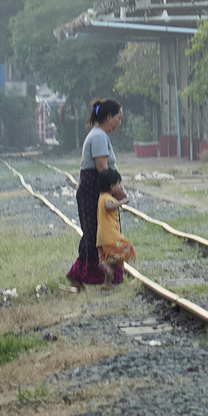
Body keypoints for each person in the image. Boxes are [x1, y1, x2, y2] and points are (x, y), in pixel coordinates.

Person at [67, 98, 123, 287]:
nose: (119, 122)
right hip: (95, 190)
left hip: (96, 189)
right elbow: (102, 168)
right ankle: (83, 275)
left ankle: (87, 276)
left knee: (97, 234)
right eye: (118, 118)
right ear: (108, 117)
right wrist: (115, 190)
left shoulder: (99, 135)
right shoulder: (98, 136)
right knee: (99, 235)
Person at [95, 168, 135, 286]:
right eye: (118, 184)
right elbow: (109, 206)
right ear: (112, 186)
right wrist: (121, 202)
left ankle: (107, 284)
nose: (120, 186)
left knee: (110, 258)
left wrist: (118, 198)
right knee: (127, 249)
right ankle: (106, 265)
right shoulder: (107, 198)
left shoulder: (102, 196)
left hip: (102, 237)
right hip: (110, 235)